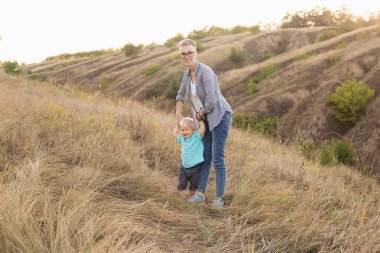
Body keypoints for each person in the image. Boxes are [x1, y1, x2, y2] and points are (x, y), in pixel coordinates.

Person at [175, 38, 233, 207]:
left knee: (217, 158)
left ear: (196, 53)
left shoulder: (205, 72)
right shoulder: (187, 74)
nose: (187, 56)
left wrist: (199, 115)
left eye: (190, 53)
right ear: (180, 56)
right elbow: (180, 96)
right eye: (183, 53)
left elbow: (211, 101)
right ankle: (200, 194)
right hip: (203, 120)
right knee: (205, 158)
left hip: (219, 116)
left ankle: (219, 198)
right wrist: (178, 116)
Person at [173, 117, 206, 200]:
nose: (184, 132)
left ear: (193, 129)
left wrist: (201, 120)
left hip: (195, 167)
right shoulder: (182, 139)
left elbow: (202, 130)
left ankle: (191, 198)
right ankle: (180, 198)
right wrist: (178, 126)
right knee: (181, 184)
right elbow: (174, 134)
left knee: (193, 185)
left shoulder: (196, 137)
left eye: (187, 129)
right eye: (182, 130)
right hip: (184, 167)